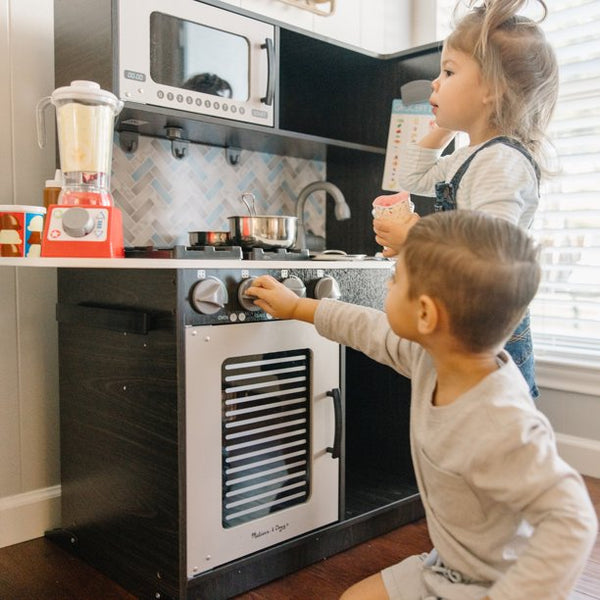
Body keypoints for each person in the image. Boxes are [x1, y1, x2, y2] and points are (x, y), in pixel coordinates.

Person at [246, 210, 597, 600]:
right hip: (450, 565)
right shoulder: (434, 356)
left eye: (395, 278)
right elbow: (368, 328)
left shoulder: (502, 423)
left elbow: (573, 519)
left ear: (426, 313)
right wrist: (297, 308)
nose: (388, 284)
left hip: (494, 584)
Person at [373, 0, 559, 399]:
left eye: (449, 71)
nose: (434, 84)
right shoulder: (471, 156)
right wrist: (440, 129)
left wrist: (415, 239)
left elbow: (488, 257)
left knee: (491, 430)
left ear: (493, 90)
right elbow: (408, 177)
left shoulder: (502, 162)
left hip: (491, 332)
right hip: (467, 318)